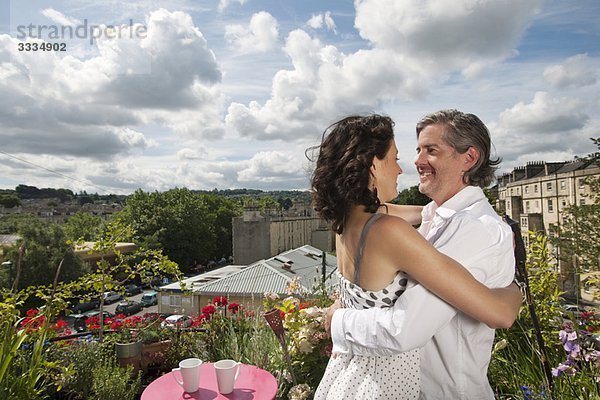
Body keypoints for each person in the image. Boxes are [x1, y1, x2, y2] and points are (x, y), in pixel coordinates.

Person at [319, 110, 520, 400]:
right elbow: (411, 213)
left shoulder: (477, 231)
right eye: (413, 151)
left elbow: (403, 329)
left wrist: (338, 319)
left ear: (469, 158)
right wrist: (516, 290)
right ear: (371, 166)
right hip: (394, 385)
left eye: (431, 150)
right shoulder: (427, 216)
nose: (414, 162)